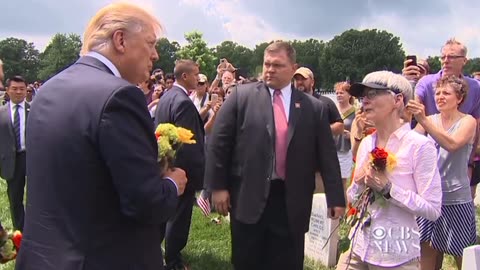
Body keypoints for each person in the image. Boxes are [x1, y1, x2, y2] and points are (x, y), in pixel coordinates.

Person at [16, 3, 187, 270]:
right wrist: (173, 184)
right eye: (151, 43)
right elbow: (146, 203)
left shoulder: (49, 88)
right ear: (120, 40)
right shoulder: (120, 96)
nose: (155, 55)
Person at [204, 41, 345, 270]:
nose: (269, 69)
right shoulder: (241, 97)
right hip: (248, 197)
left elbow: (327, 154)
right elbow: (219, 144)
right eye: (267, 64)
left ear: (293, 67)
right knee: (247, 261)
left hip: (291, 201)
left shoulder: (313, 108)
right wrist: (218, 187)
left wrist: (336, 196)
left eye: (277, 65)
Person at [336, 71, 442, 270]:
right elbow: (352, 198)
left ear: (398, 99)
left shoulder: (419, 146)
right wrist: (358, 181)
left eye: (373, 94)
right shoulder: (367, 143)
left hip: (395, 254)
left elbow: (433, 209)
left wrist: (389, 190)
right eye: (363, 96)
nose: (364, 101)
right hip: (359, 247)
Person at [407, 76, 477, 270]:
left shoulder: (468, 121)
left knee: (462, 252)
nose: (440, 97)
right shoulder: (429, 120)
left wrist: (423, 121)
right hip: (430, 196)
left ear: (459, 98)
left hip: (456, 197)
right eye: (437, 93)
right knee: (426, 248)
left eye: (446, 93)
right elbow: (409, 142)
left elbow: (452, 144)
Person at [154, 59, 205, 270]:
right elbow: (188, 144)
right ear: (185, 76)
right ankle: (173, 261)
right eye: (195, 75)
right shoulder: (182, 102)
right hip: (179, 170)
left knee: (165, 215)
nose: (198, 78)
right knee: (178, 218)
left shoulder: (167, 97)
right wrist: (194, 175)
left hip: (166, 166)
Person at [0, 76, 29, 231]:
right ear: (7, 90)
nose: (18, 92)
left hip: (31, 158)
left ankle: (37, 229)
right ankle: (20, 231)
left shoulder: (34, 110)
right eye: (15, 88)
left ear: (26, 90)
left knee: (36, 197)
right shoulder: (1, 113)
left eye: (22, 89)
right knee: (15, 198)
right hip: (12, 161)